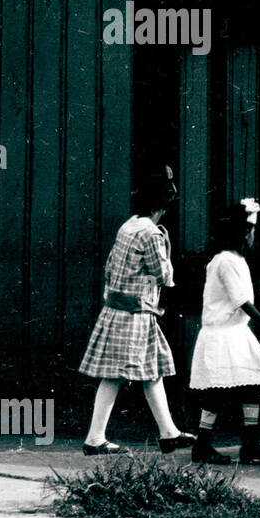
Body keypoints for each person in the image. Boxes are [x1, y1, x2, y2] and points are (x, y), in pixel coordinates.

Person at [79, 165, 195, 456]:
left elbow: (110, 267)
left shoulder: (128, 225)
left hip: (121, 310)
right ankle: (95, 438)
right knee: (121, 374)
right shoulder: (152, 234)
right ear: (163, 202)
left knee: (148, 371)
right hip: (134, 314)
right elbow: (163, 276)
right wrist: (167, 252)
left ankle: (168, 433)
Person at [188, 199, 260, 466]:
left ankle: (250, 445)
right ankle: (202, 445)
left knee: (252, 386)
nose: (253, 234)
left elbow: (240, 295)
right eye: (250, 229)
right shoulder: (226, 260)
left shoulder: (235, 260)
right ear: (241, 231)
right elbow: (241, 300)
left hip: (235, 332)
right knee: (216, 392)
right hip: (223, 334)